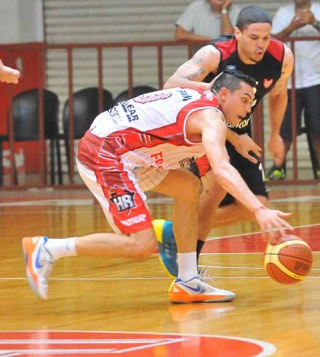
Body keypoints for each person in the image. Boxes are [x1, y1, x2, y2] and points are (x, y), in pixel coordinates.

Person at [21, 67, 293, 303]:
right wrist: (259, 210)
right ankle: (47, 249)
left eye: (251, 102)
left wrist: (235, 138)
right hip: (107, 152)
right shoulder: (211, 118)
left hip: (131, 149)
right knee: (141, 245)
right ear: (223, 94)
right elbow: (222, 168)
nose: (248, 109)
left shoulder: (201, 96)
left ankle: (188, 282)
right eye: (244, 100)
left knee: (189, 187)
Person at [162, 5, 294, 275]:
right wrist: (212, 89)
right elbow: (171, 84)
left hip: (239, 132)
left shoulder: (282, 57)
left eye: (266, 37)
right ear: (237, 33)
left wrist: (275, 133)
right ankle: (188, 270)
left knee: (256, 206)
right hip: (203, 129)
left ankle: (175, 231)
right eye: (254, 38)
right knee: (215, 191)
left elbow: (279, 94)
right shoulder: (215, 54)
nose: (261, 44)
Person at [267, 0, 320, 181]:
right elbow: (271, 41)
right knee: (285, 129)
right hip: (288, 80)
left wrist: (314, 22)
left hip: (317, 79)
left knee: (319, 128)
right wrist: (291, 27)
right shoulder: (283, 13)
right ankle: (279, 167)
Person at [175, 0, 241, 42]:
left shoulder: (236, 11)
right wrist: (211, 41)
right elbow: (179, 35)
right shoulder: (196, 7)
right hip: (201, 49)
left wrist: (224, 10)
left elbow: (228, 41)